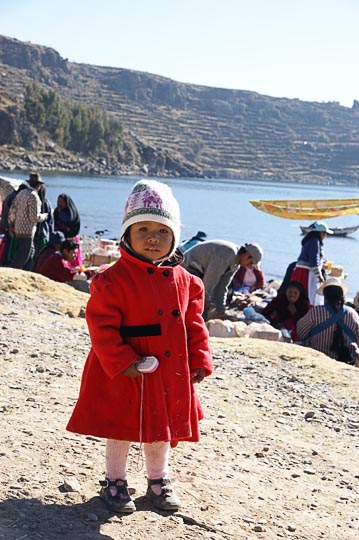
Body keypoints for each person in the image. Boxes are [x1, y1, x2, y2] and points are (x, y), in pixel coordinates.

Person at [66, 179, 213, 513]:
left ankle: (159, 481)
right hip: (124, 371)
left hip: (167, 371)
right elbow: (101, 326)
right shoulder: (111, 280)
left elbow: (194, 323)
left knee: (160, 430)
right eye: (142, 228)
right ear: (127, 235)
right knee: (121, 427)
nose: (152, 237)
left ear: (175, 236)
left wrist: (200, 358)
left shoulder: (188, 282)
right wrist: (122, 360)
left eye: (162, 230)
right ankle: (115, 483)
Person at [182, 239, 263, 320]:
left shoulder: (235, 264)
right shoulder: (228, 253)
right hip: (188, 268)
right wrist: (206, 297)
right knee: (199, 305)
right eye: (250, 262)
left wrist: (221, 310)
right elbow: (210, 278)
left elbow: (222, 287)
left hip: (200, 273)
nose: (249, 266)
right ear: (247, 255)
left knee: (204, 306)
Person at [297, 277, 359, 364]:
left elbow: (301, 333)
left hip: (317, 356)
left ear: (325, 295)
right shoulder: (353, 314)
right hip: (346, 360)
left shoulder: (316, 311)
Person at [7, 173, 49, 270]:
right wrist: (44, 216)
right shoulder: (34, 196)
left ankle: (28, 272)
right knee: (22, 256)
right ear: (38, 185)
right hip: (27, 231)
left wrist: (11, 225)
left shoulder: (21, 194)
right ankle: (13, 272)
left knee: (30, 252)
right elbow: (34, 217)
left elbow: (12, 211)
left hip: (18, 228)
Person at [291, 221, 333, 305]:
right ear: (320, 233)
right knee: (308, 297)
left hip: (299, 271)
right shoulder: (315, 241)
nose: (325, 235)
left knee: (298, 297)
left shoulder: (308, 240)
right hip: (306, 273)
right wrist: (320, 276)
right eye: (325, 233)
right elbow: (314, 262)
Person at [54, 193, 82, 267]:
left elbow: (71, 222)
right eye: (59, 202)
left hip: (71, 238)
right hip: (60, 239)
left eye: (62, 202)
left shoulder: (72, 212)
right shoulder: (57, 211)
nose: (60, 204)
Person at [34, 184, 54, 255]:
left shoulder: (34, 201)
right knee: (41, 253)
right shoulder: (47, 203)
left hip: (33, 232)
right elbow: (50, 221)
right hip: (43, 233)